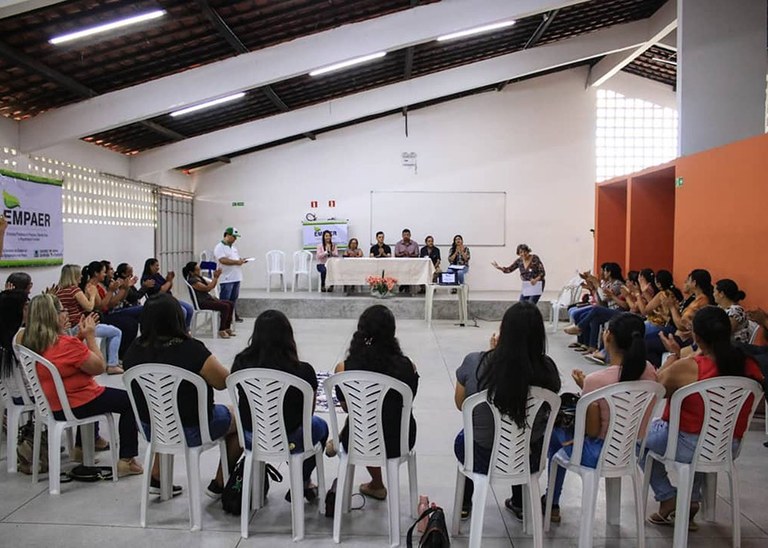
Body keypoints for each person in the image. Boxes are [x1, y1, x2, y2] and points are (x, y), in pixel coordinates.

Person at [641, 306, 764, 528]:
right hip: (728, 445)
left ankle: (667, 497)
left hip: (688, 444)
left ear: (696, 336)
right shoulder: (749, 364)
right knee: (703, 432)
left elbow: (656, 388)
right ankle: (691, 499)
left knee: (637, 438)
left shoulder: (689, 367)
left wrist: (674, 355)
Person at [122, 293, 241, 497]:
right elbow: (223, 382)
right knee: (242, 418)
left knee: (164, 412)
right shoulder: (191, 349)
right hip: (194, 429)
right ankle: (220, 483)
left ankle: (157, 476)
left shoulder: (133, 350)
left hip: (150, 427)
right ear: (178, 317)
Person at [453, 302, 561, 520]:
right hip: (529, 458)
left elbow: (461, 404)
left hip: (479, 455)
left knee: (469, 435)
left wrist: (492, 354)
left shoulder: (475, 362)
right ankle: (520, 503)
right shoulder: (547, 368)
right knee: (522, 435)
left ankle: (464, 503)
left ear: (503, 330)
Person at [546, 312, 657, 522]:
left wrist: (586, 392)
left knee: (554, 430)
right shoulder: (650, 371)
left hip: (597, 453)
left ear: (608, 336)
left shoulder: (596, 380)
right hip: (631, 450)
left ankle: (551, 503)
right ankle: (552, 503)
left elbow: (592, 430)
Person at [21, 294, 142, 477]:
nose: (67, 314)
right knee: (130, 400)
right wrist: (90, 337)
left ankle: (81, 447)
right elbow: (98, 367)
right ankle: (127, 460)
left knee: (97, 393)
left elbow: (67, 360)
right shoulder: (65, 344)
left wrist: (79, 337)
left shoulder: (32, 343)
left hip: (51, 405)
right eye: (63, 310)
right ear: (53, 315)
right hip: (75, 403)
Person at [231, 310, 328, 501]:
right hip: (291, 438)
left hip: (252, 436)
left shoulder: (240, 363)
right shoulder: (303, 370)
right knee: (321, 426)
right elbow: (308, 413)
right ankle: (302, 482)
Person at [334, 305, 418, 500]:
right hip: (399, 440)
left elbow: (347, 408)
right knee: (384, 418)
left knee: (364, 422)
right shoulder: (408, 366)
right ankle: (376, 485)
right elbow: (407, 400)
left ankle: (376, 483)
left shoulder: (344, 368)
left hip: (359, 439)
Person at [56, 264, 124, 375]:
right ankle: (112, 364)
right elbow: (89, 307)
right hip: (79, 327)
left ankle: (112, 361)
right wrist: (92, 295)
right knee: (116, 332)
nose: (81, 277)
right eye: (79, 275)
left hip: (69, 327)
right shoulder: (74, 290)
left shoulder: (59, 291)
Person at [645, 269, 714, 367]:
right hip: (679, 334)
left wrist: (672, 307)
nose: (685, 283)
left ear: (694, 283)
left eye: (688, 280)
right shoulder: (695, 299)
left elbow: (681, 326)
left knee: (647, 343)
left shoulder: (700, 302)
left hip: (685, 338)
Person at [79, 261, 139, 361]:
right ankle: (121, 355)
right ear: (96, 273)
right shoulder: (92, 287)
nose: (105, 274)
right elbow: (102, 306)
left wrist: (125, 288)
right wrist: (111, 291)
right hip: (101, 317)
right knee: (129, 323)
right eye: (103, 272)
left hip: (106, 313)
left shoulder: (100, 285)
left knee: (133, 320)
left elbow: (115, 301)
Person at [182, 261, 234, 338]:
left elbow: (211, 285)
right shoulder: (192, 281)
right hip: (202, 302)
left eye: (199, 269)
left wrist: (215, 278)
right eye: (197, 270)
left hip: (208, 299)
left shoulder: (199, 278)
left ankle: (227, 328)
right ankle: (222, 329)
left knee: (230, 304)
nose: (199, 271)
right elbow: (207, 288)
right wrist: (215, 277)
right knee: (225, 306)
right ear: (191, 272)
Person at [140, 258, 194, 330]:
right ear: (150, 266)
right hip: (158, 301)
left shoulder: (157, 275)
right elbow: (161, 291)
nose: (158, 268)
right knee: (182, 311)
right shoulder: (148, 279)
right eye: (156, 265)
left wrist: (169, 279)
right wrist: (169, 281)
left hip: (168, 298)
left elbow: (168, 287)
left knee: (189, 309)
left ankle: (186, 329)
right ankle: (177, 331)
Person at [214, 227, 246, 322]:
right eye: (234, 237)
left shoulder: (233, 248)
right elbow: (222, 260)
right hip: (226, 278)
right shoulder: (219, 247)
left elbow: (236, 259)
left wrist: (241, 260)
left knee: (233, 299)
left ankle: (232, 316)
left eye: (236, 237)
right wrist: (237, 262)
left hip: (236, 277)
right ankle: (224, 319)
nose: (235, 239)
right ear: (227, 235)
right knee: (225, 300)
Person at [714, 279, 750, 344]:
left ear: (721, 294)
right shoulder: (720, 307)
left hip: (735, 346)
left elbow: (724, 333)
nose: (713, 294)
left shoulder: (736, 311)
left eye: (714, 292)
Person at [394, 229, 420, 294]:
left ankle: (404, 286)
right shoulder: (398, 244)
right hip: (401, 265)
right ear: (402, 236)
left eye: (407, 235)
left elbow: (417, 255)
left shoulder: (414, 244)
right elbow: (396, 254)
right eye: (404, 235)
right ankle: (405, 286)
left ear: (410, 235)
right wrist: (403, 254)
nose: (406, 236)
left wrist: (410, 255)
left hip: (412, 265)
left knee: (410, 271)